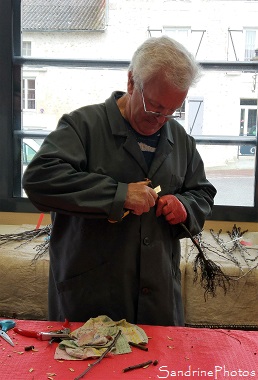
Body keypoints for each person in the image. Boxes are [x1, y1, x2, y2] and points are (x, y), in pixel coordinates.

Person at [22, 36, 216, 326]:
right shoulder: (83, 126)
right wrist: (118, 194)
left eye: (172, 111)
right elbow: (40, 180)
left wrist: (185, 206)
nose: (161, 119)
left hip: (158, 302)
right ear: (131, 82)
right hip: (90, 300)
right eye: (154, 107)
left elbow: (202, 193)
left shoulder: (180, 140)